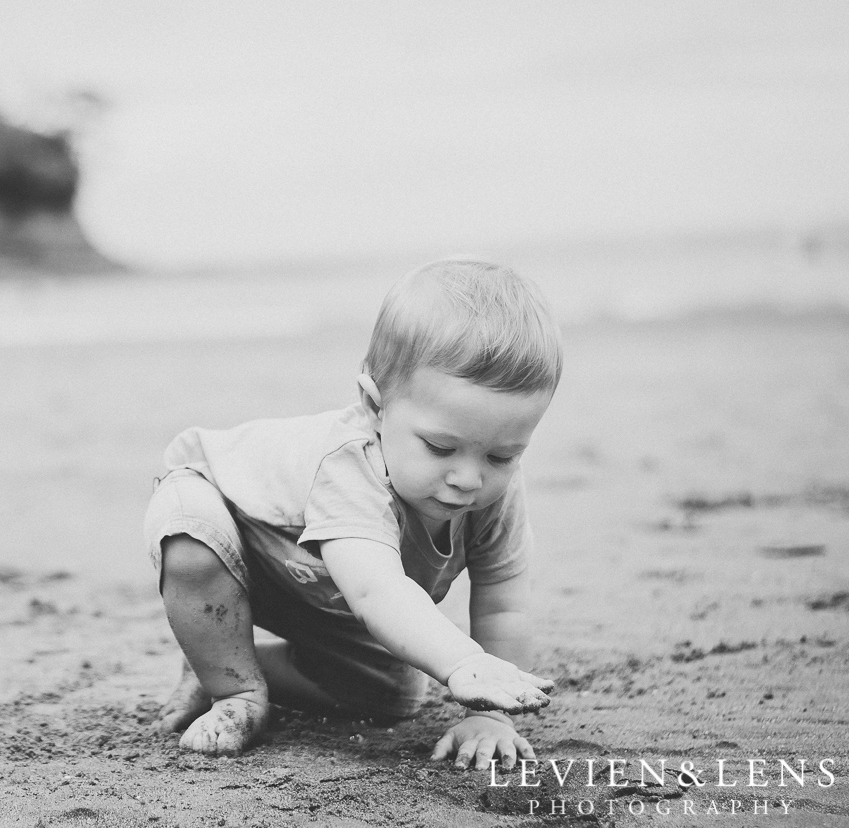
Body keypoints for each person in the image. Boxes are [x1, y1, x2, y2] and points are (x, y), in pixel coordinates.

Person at [143, 257, 562, 769]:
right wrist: (463, 662)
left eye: (502, 456)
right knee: (192, 542)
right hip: (231, 522)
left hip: (315, 580)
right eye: (439, 447)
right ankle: (234, 691)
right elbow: (375, 590)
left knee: (391, 695)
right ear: (374, 407)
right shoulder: (348, 464)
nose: (469, 478)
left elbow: (504, 603)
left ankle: (220, 654)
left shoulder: (494, 497)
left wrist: (494, 715)